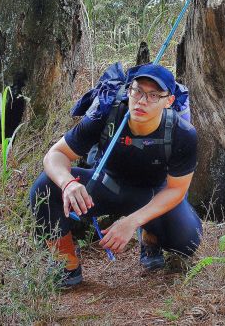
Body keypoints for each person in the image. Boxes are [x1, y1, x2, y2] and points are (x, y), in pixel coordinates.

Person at [29, 63, 201, 287]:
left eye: (153, 96)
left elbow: (177, 189)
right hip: (105, 187)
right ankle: (66, 264)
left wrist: (132, 222)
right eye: (137, 91)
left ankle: (151, 238)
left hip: (151, 197)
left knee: (187, 241)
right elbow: (55, 154)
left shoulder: (182, 133)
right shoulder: (106, 113)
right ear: (129, 90)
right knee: (45, 186)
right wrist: (68, 183)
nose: (141, 101)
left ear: (168, 101)